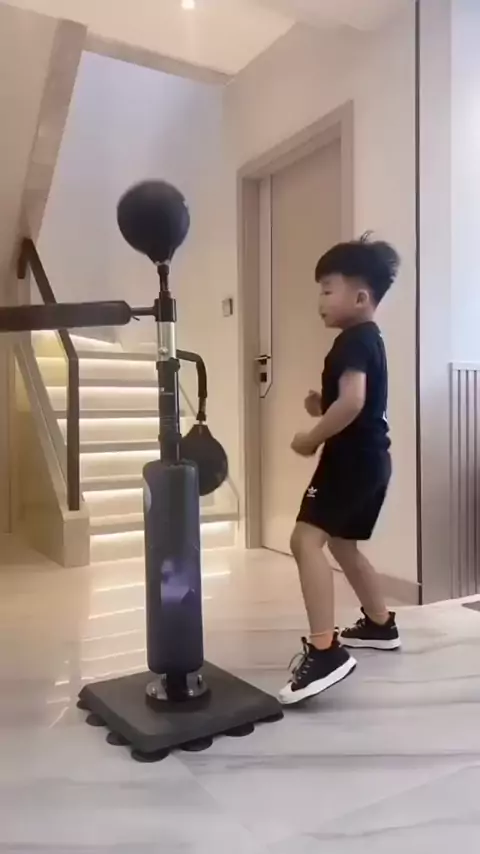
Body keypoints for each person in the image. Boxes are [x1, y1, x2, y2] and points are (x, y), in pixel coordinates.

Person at [279, 234, 401, 706]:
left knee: (304, 540)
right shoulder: (371, 339)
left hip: (350, 460)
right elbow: (352, 401)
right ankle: (380, 623)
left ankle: (325, 650)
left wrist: (312, 437)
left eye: (327, 290)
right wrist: (322, 403)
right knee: (343, 543)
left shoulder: (350, 341)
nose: (320, 301)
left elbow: (352, 403)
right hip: (374, 461)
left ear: (361, 296)